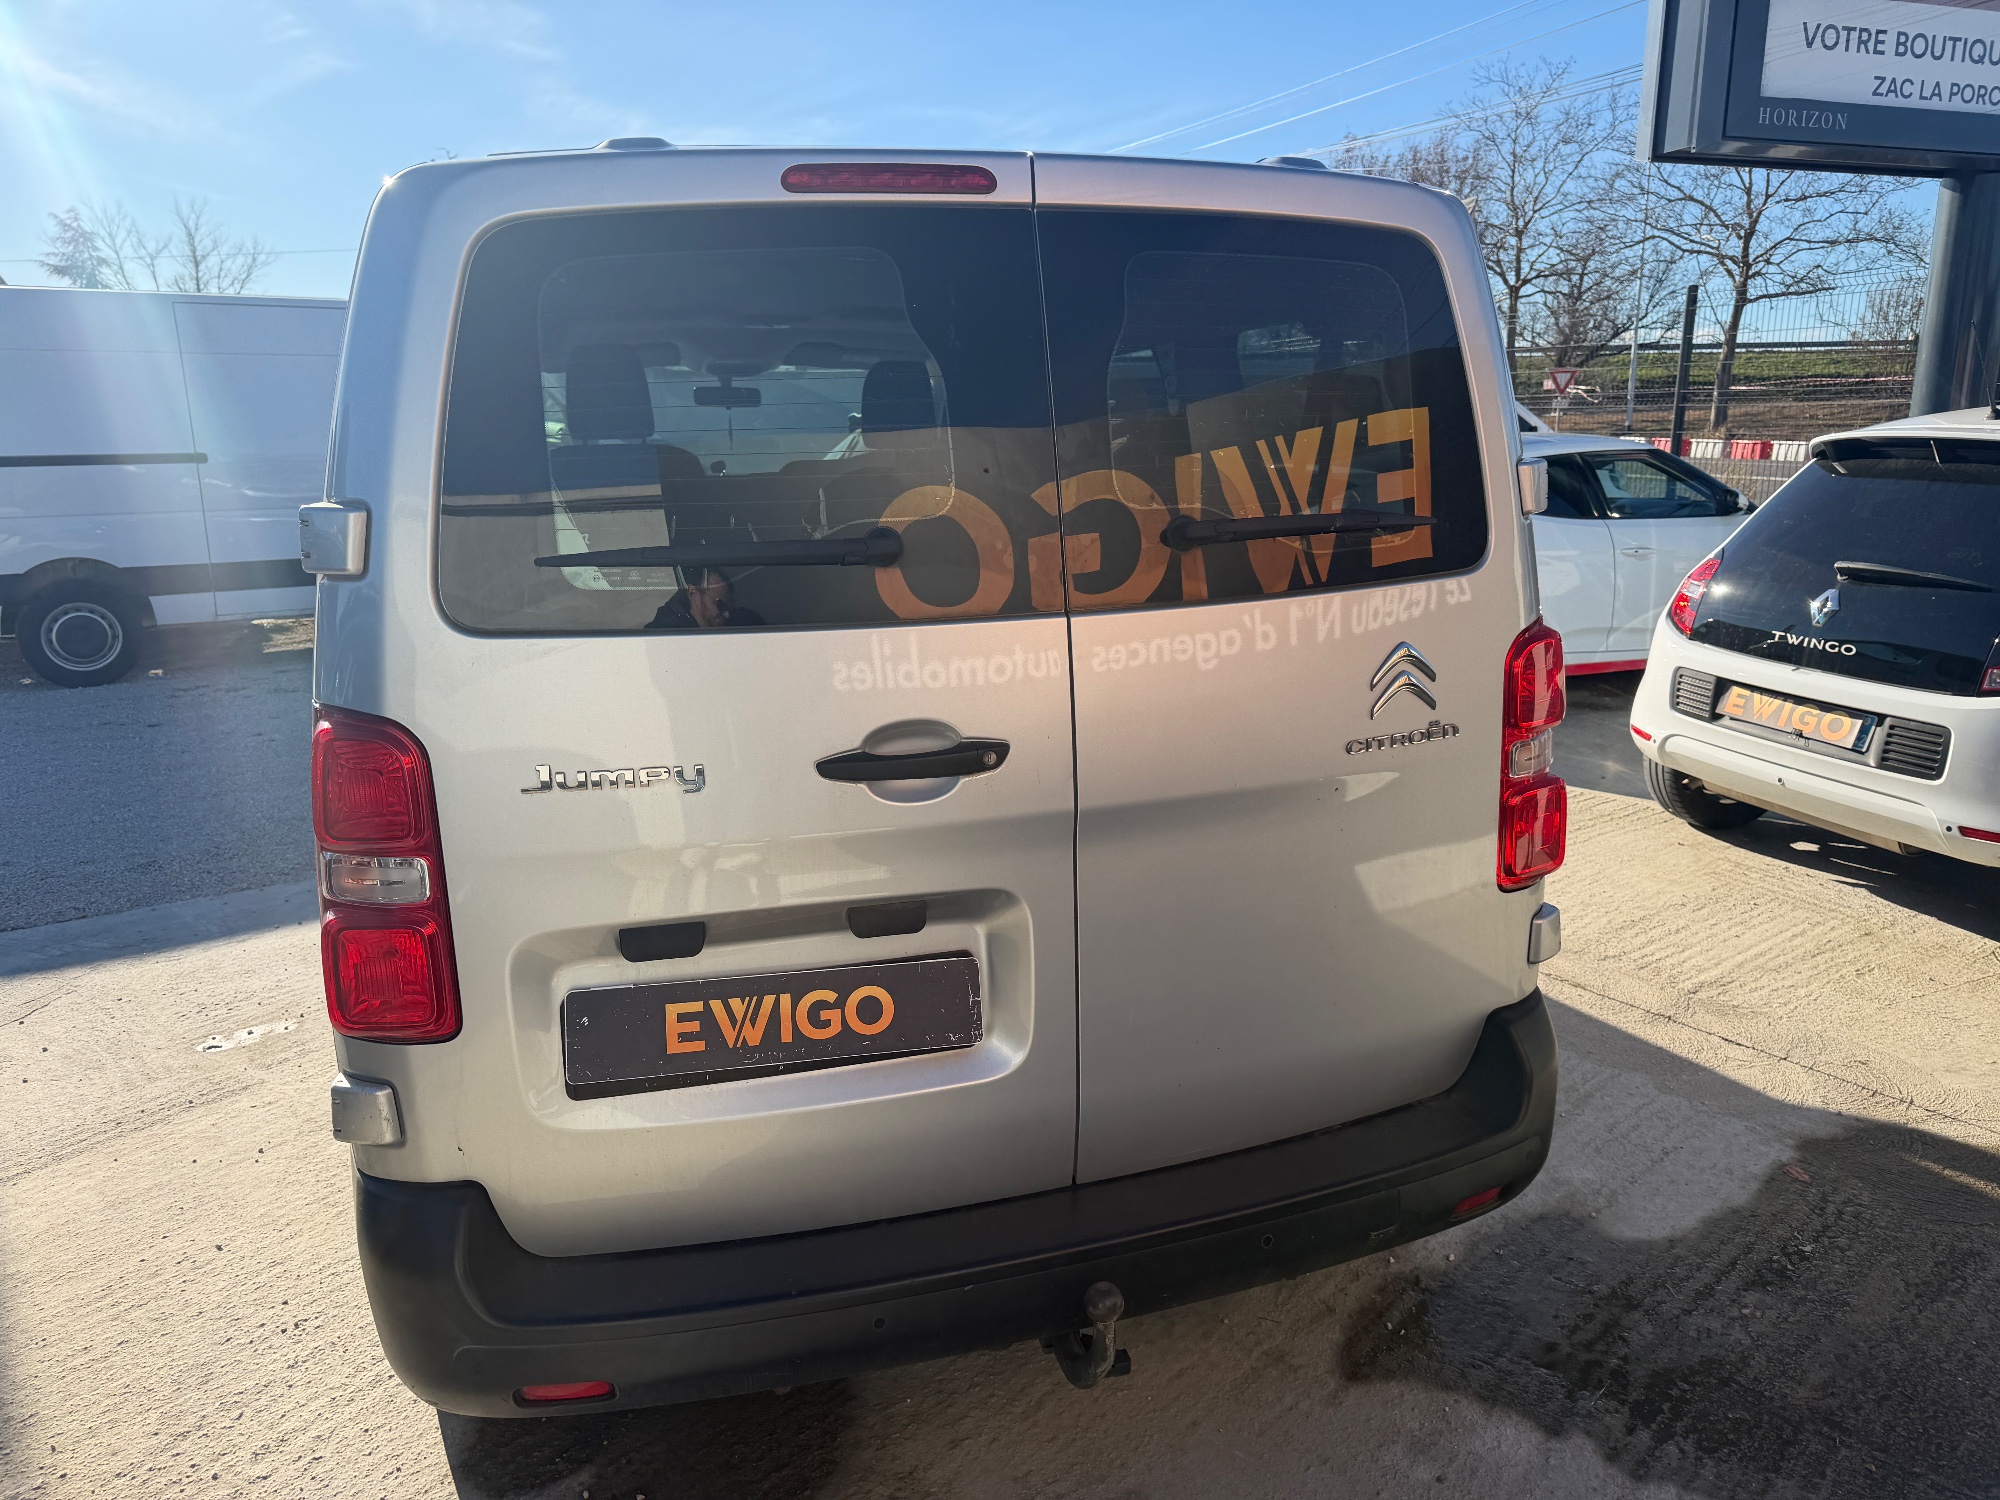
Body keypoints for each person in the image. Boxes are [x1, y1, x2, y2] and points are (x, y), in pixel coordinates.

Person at [646, 566, 765, 630]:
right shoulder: (663, 634)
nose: (727, 614)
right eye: (720, 605)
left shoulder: (737, 625)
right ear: (693, 593)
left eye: (729, 608)